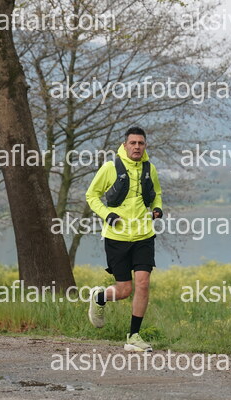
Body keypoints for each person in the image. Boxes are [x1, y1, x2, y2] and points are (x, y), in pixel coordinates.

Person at [85, 127, 163, 352]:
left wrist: (157, 208)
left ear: (145, 146)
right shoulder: (110, 168)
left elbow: (157, 194)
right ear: (125, 145)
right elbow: (92, 195)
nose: (137, 147)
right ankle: (100, 296)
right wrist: (107, 214)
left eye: (141, 143)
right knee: (124, 290)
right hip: (116, 237)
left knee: (143, 283)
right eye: (133, 143)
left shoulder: (150, 169)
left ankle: (134, 337)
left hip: (144, 235)